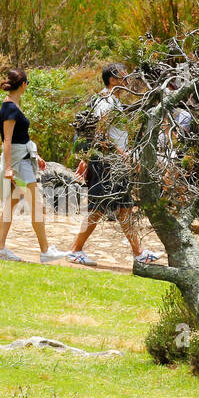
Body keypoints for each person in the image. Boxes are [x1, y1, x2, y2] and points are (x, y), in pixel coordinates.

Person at [65, 63, 161, 267]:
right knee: (98, 209)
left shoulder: (111, 101)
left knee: (125, 207)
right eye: (122, 75)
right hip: (107, 162)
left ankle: (138, 252)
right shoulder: (107, 101)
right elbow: (99, 134)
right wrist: (123, 155)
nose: (127, 78)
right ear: (112, 79)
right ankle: (75, 250)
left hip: (113, 162)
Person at [0, 68, 68, 264]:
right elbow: (7, 141)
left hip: (24, 159)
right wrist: (9, 168)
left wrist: (36, 155)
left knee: (11, 204)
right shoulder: (9, 108)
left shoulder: (14, 105)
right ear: (23, 84)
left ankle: (0, 249)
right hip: (19, 165)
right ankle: (45, 251)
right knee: (38, 206)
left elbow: (20, 138)